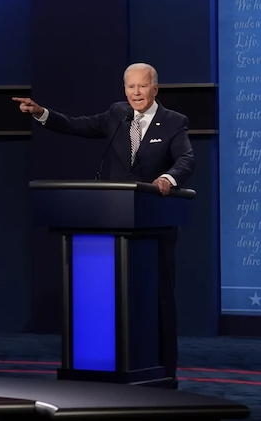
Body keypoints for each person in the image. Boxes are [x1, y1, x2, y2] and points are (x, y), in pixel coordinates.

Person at [12, 62, 194, 387]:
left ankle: (165, 370)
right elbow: (75, 125)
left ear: (155, 88)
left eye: (142, 86)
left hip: (155, 223)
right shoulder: (116, 114)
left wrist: (169, 178)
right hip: (113, 219)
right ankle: (111, 366)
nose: (136, 92)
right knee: (113, 298)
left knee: (158, 297)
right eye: (130, 86)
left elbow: (186, 159)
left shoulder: (174, 121)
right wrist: (41, 113)